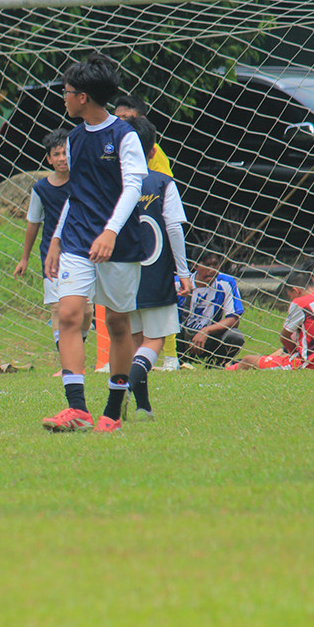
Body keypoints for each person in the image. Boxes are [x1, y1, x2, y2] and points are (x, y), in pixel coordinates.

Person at [42, 53, 149, 433]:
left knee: (118, 324)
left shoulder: (125, 136)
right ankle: (77, 409)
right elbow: (76, 194)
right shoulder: (73, 138)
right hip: (76, 241)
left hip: (119, 244)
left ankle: (113, 411)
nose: (64, 97)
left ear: (83, 96)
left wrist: (110, 231)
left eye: (67, 92)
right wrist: (55, 239)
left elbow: (134, 186)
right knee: (70, 315)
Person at [123, 115, 192, 419]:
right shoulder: (163, 183)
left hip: (122, 273)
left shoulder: (115, 184)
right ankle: (125, 387)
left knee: (135, 340)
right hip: (155, 273)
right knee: (154, 341)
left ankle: (143, 406)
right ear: (153, 152)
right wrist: (184, 272)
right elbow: (175, 229)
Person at [13, 129, 93, 375]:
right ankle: (68, 365)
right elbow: (33, 222)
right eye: (56, 154)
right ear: (48, 159)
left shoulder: (85, 182)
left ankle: (75, 352)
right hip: (53, 256)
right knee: (58, 308)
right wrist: (24, 258)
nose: (61, 158)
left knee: (86, 310)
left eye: (65, 153)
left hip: (82, 251)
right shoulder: (41, 189)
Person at [112, 94, 181, 371]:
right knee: (142, 326)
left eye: (125, 120)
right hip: (131, 253)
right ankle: (134, 365)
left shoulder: (156, 164)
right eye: (116, 119)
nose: (119, 125)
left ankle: (170, 358)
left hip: (146, 248)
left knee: (153, 319)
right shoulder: (112, 159)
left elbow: (169, 215)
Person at [227, 261, 314, 370]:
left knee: (248, 360)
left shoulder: (301, 303)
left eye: (290, 297)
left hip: (306, 365)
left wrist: (293, 353)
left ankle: (226, 372)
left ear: (295, 290)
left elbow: (284, 337)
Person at [177, 251, 246, 367]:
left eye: (215, 265)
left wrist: (206, 331)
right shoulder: (179, 283)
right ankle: (177, 362)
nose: (212, 270)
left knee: (235, 336)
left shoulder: (226, 282)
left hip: (210, 338)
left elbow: (234, 319)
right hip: (182, 338)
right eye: (207, 265)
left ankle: (214, 366)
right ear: (195, 265)